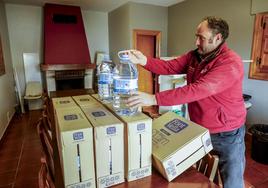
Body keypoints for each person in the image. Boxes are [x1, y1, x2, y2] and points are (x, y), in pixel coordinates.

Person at [127, 16, 246, 188]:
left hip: (227, 133)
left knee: (232, 182)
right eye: (196, 36)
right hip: (200, 127)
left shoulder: (230, 62)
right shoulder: (195, 56)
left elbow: (199, 89)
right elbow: (169, 67)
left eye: (202, 38)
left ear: (218, 38)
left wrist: (154, 98)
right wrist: (143, 60)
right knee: (199, 176)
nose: (196, 41)